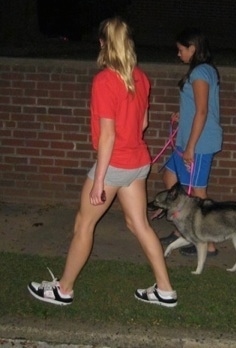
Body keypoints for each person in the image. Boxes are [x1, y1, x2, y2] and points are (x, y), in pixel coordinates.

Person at [27, 17, 177, 308]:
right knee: (139, 225)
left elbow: (107, 136)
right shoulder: (141, 77)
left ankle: (64, 289)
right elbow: (144, 122)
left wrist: (99, 181)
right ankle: (165, 290)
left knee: (84, 224)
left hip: (114, 166)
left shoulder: (105, 80)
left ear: (102, 44)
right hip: (138, 163)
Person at [150, 27, 223, 257]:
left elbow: (202, 111)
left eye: (181, 50)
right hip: (187, 138)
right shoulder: (201, 71)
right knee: (169, 177)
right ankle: (183, 231)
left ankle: (209, 244)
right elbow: (198, 108)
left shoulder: (201, 72)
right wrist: (183, 115)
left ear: (193, 49)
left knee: (198, 192)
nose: (179, 54)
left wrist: (191, 148)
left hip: (198, 143)